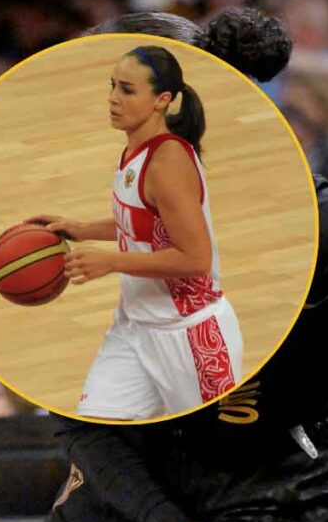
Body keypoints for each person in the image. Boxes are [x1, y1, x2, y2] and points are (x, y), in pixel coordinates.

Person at [11, 8, 328, 522]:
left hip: (286, 474)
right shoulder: (84, 232)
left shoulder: (314, 219)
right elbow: (89, 432)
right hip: (149, 460)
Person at [30, 45, 243, 420]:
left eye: (127, 90)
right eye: (112, 86)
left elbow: (195, 258)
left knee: (219, 466)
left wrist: (111, 262)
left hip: (188, 333)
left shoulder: (168, 163)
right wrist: (83, 230)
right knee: (97, 434)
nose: (113, 98)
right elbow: (144, 226)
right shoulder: (134, 149)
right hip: (135, 325)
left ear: (162, 100)